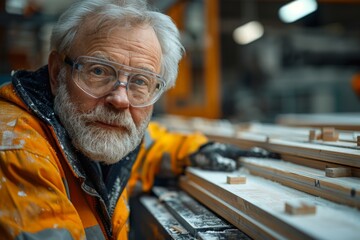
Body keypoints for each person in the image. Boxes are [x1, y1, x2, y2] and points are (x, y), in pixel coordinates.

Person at [0, 0, 277, 239]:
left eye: (140, 81)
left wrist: (197, 149)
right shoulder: (17, 149)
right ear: (57, 71)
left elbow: (146, 146)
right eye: (98, 71)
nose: (120, 100)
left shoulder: (89, 133)